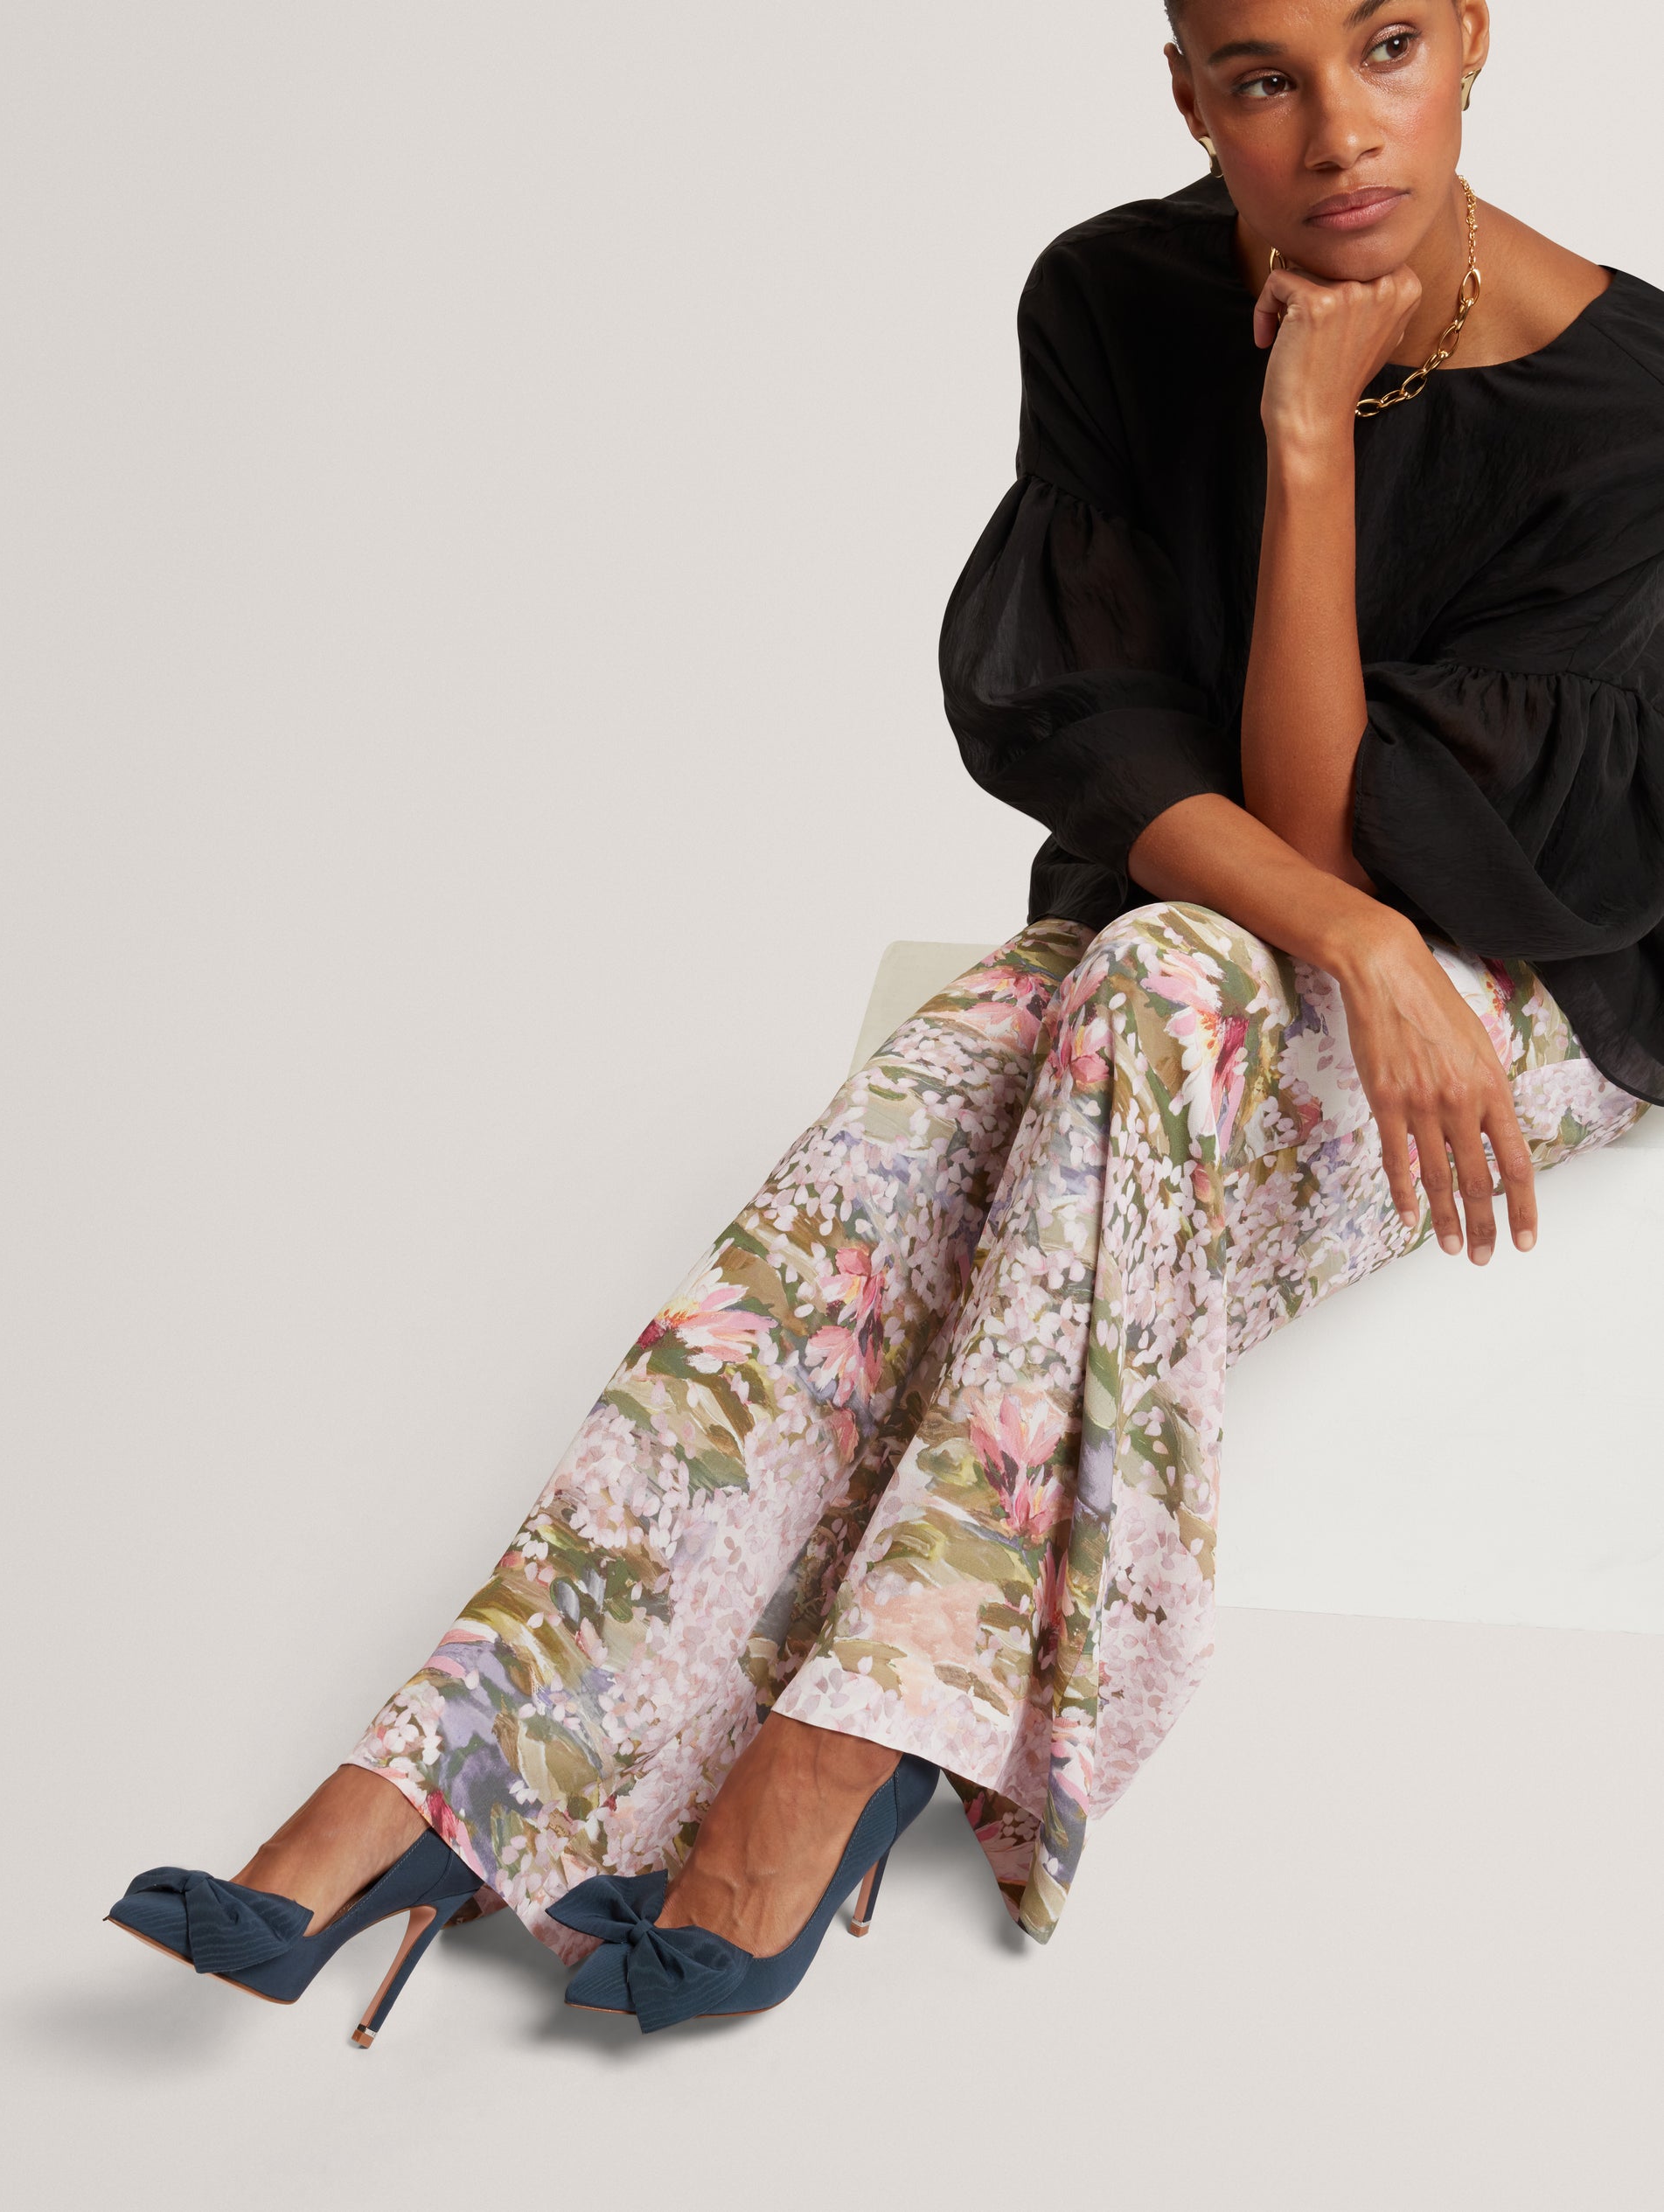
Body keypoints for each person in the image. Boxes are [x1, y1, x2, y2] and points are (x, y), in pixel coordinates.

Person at [107, 0, 1662, 2037]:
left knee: (1155, 973)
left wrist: (1307, 452)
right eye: (1260, 76)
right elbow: (1091, 723)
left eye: (1383, 45)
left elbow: (1329, 834)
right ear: (1186, 89)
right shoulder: (1115, 295)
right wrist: (1340, 926)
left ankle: (829, 1746)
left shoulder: (1632, 401)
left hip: (1521, 980)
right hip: (1211, 959)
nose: (1335, 130)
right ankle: (432, 1762)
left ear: (1470, 33)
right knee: (959, 1078)